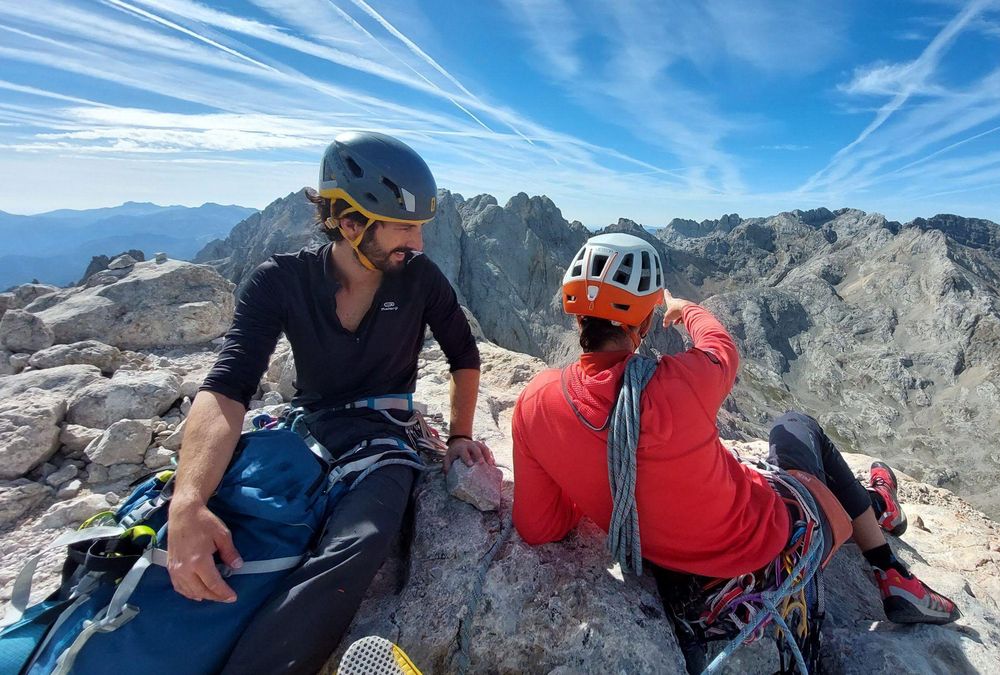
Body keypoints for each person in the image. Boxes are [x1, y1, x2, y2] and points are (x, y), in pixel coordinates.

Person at [511, 233, 958, 672]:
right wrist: (686, 311)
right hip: (762, 545)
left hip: (671, 572)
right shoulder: (681, 382)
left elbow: (539, 526)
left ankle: (878, 508)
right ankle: (889, 563)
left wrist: (593, 482)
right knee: (795, 428)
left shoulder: (535, 403)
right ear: (644, 325)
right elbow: (720, 347)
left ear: (576, 318)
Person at [168, 131, 494, 673]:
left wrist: (459, 435)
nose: (419, 243)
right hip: (310, 430)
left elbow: (464, 355)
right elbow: (226, 388)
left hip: (386, 439)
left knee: (358, 544)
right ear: (350, 223)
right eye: (405, 228)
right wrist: (188, 501)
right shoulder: (280, 281)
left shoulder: (419, 278)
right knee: (230, 519)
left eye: (420, 228)